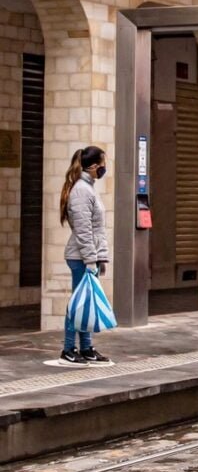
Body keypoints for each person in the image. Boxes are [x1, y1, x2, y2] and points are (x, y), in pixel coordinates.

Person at [59, 146, 111, 367]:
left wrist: (100, 257)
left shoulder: (87, 187)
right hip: (80, 258)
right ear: (93, 166)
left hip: (87, 257)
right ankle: (68, 349)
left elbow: (96, 230)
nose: (104, 168)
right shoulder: (81, 190)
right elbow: (84, 231)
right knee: (78, 303)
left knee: (86, 303)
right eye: (103, 164)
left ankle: (87, 348)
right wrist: (91, 260)